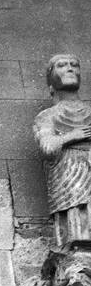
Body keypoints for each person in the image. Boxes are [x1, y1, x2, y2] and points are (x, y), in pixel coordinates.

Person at [34, 54, 91, 235]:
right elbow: (48, 148)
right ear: (51, 79)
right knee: (78, 230)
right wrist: (73, 136)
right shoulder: (47, 116)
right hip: (70, 175)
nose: (70, 68)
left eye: (74, 65)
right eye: (62, 65)